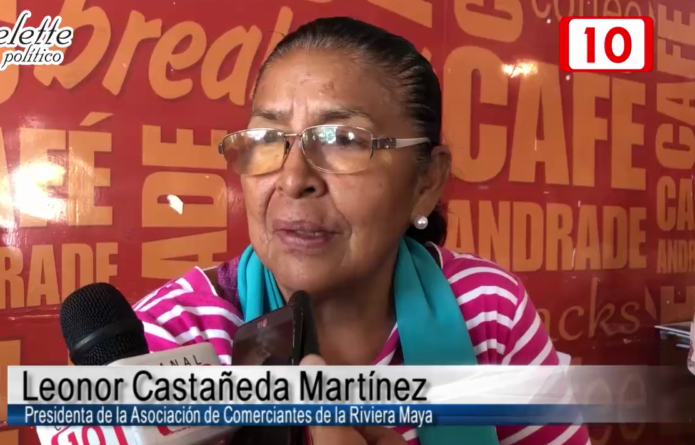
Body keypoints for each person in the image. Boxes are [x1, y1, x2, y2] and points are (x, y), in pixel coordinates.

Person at [133, 16, 590, 445]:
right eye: (268, 139)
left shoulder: (487, 310)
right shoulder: (168, 343)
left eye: (343, 141)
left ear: (426, 181)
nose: (293, 179)